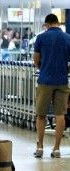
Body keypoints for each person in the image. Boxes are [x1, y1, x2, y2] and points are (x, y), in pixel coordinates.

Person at [33, 13, 70, 158]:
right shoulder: (68, 38)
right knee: (60, 114)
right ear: (58, 23)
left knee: (41, 114)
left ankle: (40, 147)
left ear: (47, 24)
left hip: (45, 80)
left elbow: (36, 60)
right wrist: (65, 70)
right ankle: (56, 149)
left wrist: (43, 68)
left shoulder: (41, 37)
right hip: (62, 81)